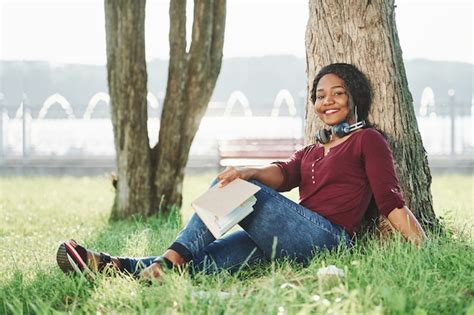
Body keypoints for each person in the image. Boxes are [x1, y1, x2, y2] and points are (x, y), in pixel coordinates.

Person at [56, 63, 427, 282]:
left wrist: (423, 247)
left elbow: (390, 201)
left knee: (240, 191)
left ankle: (168, 260)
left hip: (326, 240)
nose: (326, 101)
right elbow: (284, 174)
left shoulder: (368, 140)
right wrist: (247, 171)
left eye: (338, 93)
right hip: (287, 241)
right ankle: (110, 265)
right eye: (320, 95)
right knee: (204, 260)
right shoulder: (314, 148)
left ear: (354, 98)